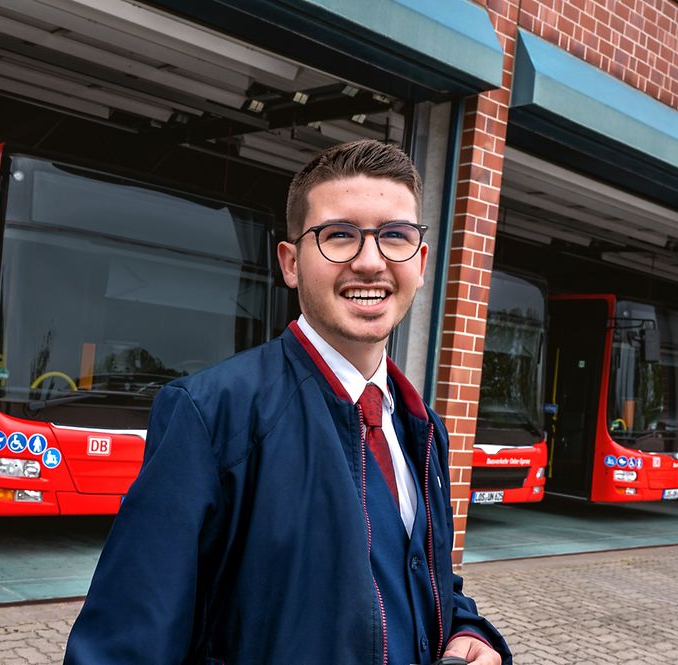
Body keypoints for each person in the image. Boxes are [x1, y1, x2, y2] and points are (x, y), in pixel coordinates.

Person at [64, 139, 511, 665]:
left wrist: (467, 630)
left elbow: (422, 579)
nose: (370, 262)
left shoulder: (422, 427)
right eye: (339, 235)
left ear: (421, 260)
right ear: (291, 262)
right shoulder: (211, 415)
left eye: (395, 236)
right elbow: (124, 646)